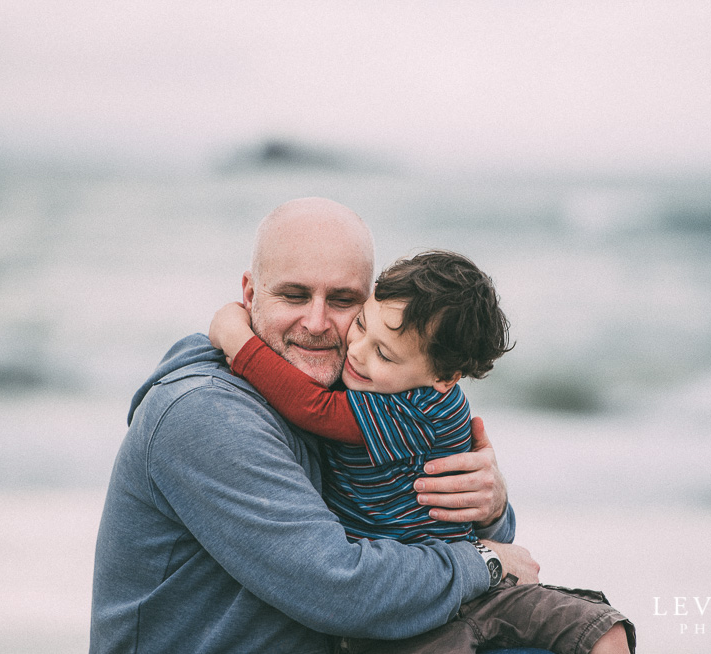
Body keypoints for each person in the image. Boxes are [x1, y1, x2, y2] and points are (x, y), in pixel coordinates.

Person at [90, 197, 541, 654]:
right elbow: (341, 588)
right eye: (294, 295)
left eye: (343, 301)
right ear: (249, 295)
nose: (318, 322)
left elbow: (470, 535)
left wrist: (489, 507)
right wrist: (481, 562)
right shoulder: (205, 412)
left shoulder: (363, 394)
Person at [209, 250, 636, 654]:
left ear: (444, 377)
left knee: (603, 629)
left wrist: (237, 339)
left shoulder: (415, 409)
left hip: (446, 587)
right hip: (418, 595)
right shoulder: (391, 376)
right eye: (361, 324)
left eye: (383, 354)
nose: (356, 353)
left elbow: (312, 407)